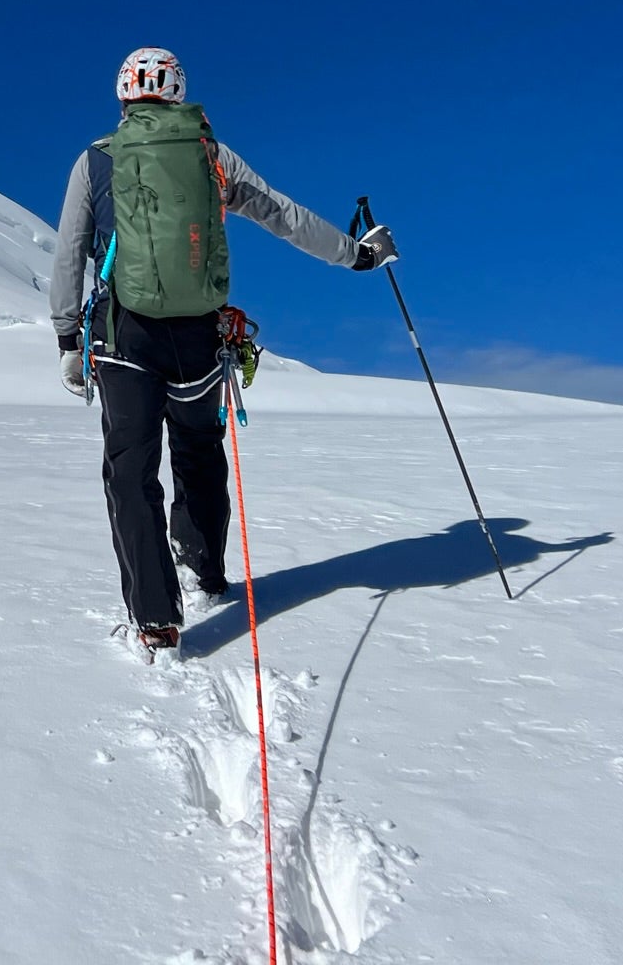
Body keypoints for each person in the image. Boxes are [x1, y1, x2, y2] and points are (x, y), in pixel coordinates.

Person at [51, 47, 397, 655]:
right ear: (179, 92)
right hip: (200, 336)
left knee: (130, 471)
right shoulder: (210, 155)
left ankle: (156, 617)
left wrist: (67, 338)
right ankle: (206, 570)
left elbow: (69, 249)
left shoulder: (95, 160)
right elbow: (281, 213)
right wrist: (356, 253)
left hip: (123, 335)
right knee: (199, 449)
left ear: (123, 95)